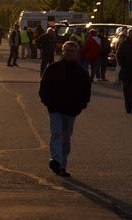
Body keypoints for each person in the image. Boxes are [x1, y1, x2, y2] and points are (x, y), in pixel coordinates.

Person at [39, 41, 91, 177]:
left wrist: (81, 105)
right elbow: (43, 86)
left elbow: (86, 91)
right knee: (56, 133)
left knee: (66, 139)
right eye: (67, 50)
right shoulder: (53, 68)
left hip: (71, 110)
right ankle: (55, 159)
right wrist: (46, 101)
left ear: (76, 54)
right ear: (63, 51)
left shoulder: (81, 72)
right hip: (54, 107)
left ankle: (62, 166)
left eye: (72, 51)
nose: (69, 53)